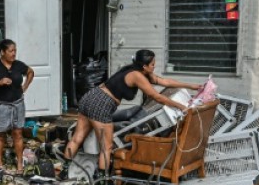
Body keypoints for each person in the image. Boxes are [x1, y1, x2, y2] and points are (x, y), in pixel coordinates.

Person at [65, 49, 201, 171]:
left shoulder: (137, 70)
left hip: (91, 97)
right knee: (106, 147)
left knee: (77, 138)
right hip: (102, 104)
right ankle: (103, 181)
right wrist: (180, 106)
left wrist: (191, 86)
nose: (155, 66)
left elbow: (165, 82)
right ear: (144, 66)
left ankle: (65, 171)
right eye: (153, 64)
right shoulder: (137, 76)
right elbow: (156, 97)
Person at [0, 39, 34, 171]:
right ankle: (0, 164)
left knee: (18, 133)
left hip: (17, 104)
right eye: (11, 51)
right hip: (0, 105)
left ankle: (20, 163)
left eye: (15, 50)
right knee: (0, 134)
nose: (14, 53)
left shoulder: (18, 65)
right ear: (2, 52)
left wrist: (25, 87)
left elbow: (30, 72)